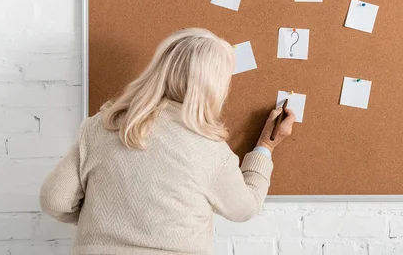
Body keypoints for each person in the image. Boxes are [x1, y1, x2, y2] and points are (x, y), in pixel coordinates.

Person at [39, 28, 296, 255]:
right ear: (212, 86)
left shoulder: (101, 125)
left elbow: (55, 200)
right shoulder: (208, 148)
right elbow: (244, 208)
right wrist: (266, 145)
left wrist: (103, 219)